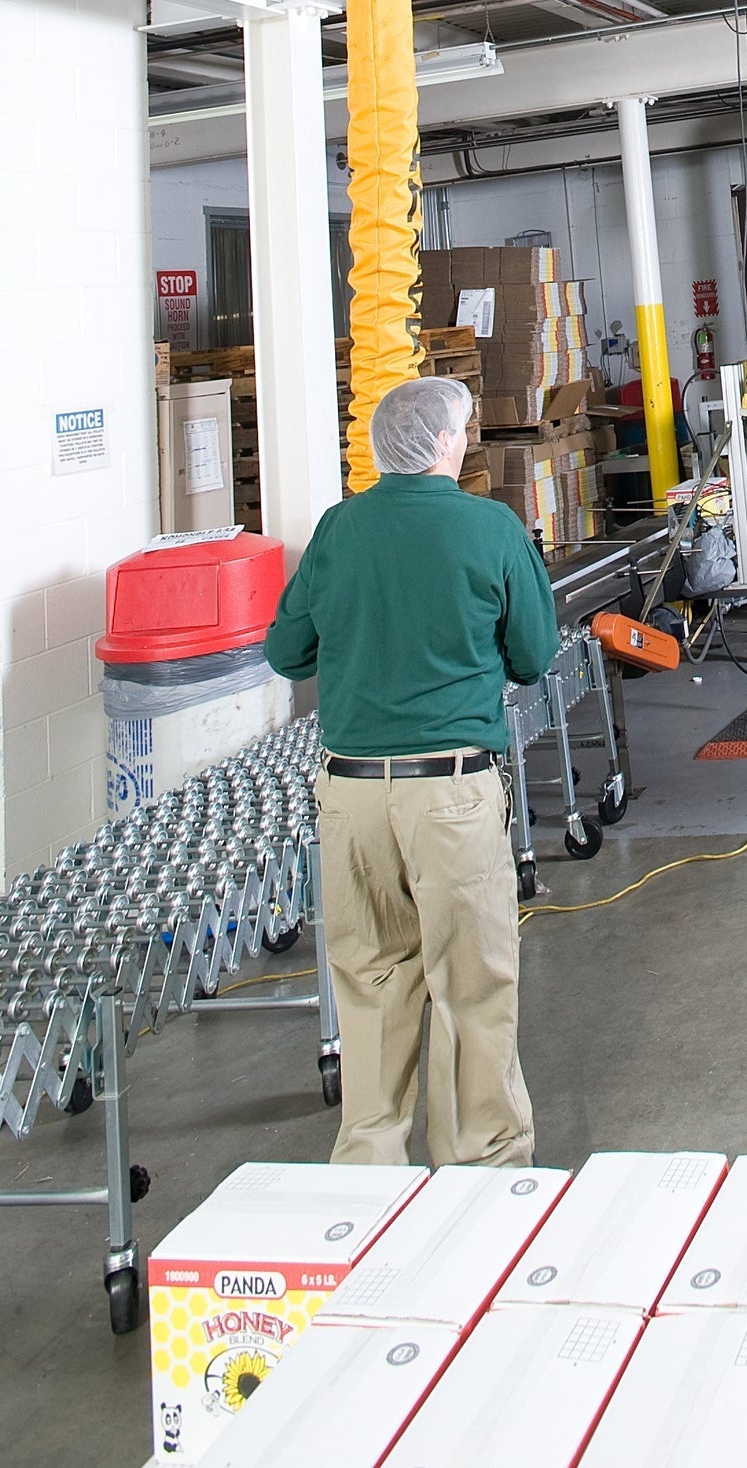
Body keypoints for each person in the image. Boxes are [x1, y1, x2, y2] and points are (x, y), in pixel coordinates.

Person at [264, 375, 555, 1168]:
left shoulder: (338, 530)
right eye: (462, 430)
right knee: (471, 985)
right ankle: (483, 1168)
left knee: (370, 983)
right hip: (450, 796)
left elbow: (286, 651)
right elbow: (533, 654)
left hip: (351, 797)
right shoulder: (490, 528)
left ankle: (368, 1170)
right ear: (443, 442)